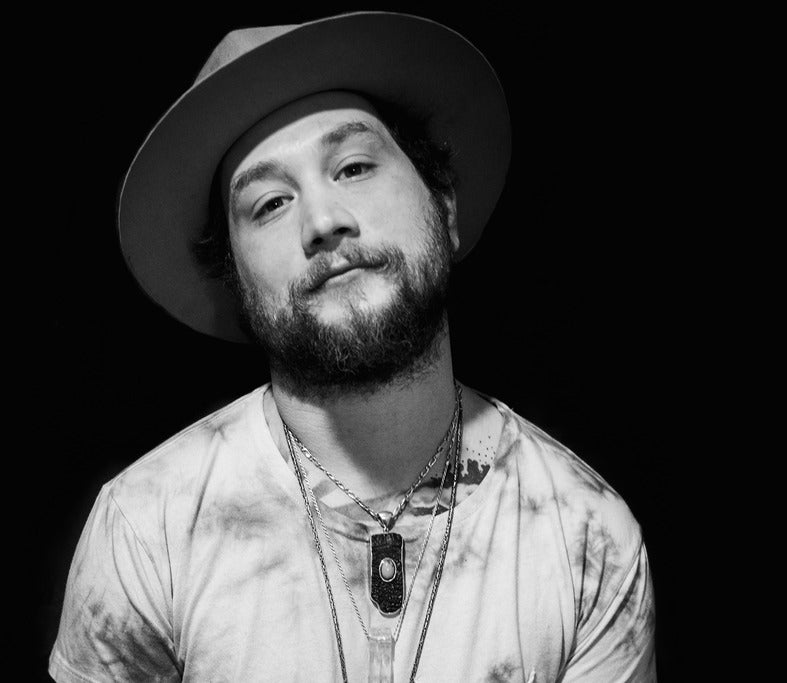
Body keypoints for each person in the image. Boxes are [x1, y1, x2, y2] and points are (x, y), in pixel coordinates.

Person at [49, 12, 656, 683]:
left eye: (355, 166)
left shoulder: (586, 536)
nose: (322, 221)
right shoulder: (147, 528)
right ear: (235, 281)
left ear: (444, 205)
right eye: (270, 204)